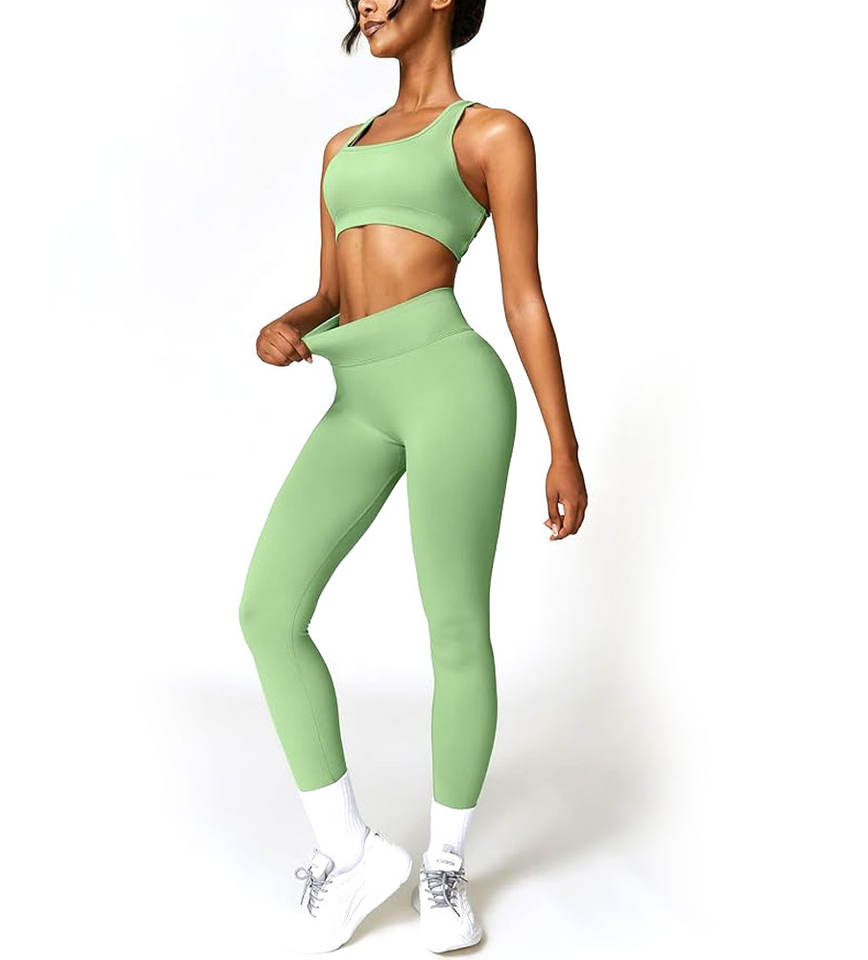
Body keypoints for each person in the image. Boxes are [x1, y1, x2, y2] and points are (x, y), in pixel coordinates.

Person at [238, 0, 587, 952]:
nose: (363, 2)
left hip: (451, 388)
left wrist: (562, 445)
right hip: (356, 394)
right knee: (268, 610)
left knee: (454, 627)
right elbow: (333, 292)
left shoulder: (491, 135)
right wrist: (288, 325)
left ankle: (444, 867)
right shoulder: (340, 149)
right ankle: (349, 853)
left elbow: (523, 297)